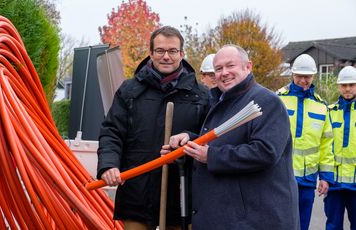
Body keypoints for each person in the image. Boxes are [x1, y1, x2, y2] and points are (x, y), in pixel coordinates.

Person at [162, 44, 299, 230]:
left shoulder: (266, 102)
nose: (224, 73)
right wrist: (188, 142)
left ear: (247, 66)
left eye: (230, 66)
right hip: (228, 217)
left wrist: (210, 156)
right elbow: (221, 140)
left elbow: (265, 152)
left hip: (254, 220)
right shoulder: (222, 102)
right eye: (218, 69)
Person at [96, 26, 209, 230]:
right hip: (137, 192)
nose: (166, 56)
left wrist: (188, 139)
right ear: (151, 53)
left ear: (182, 54)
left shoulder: (200, 95)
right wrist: (108, 165)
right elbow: (112, 131)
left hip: (181, 195)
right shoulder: (130, 90)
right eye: (160, 51)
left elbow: (208, 136)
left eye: (172, 51)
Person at [277, 54, 334, 230]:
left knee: (302, 224)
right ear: (292, 75)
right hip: (281, 177)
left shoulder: (321, 106)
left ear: (313, 76)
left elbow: (326, 145)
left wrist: (325, 177)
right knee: (280, 222)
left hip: (308, 180)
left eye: (307, 76)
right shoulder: (278, 99)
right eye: (299, 76)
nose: (303, 80)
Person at [326, 66, 356, 230]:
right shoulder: (329, 112)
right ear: (338, 86)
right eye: (344, 85)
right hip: (334, 184)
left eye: (352, 85)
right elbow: (323, 147)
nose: (348, 89)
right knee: (333, 226)